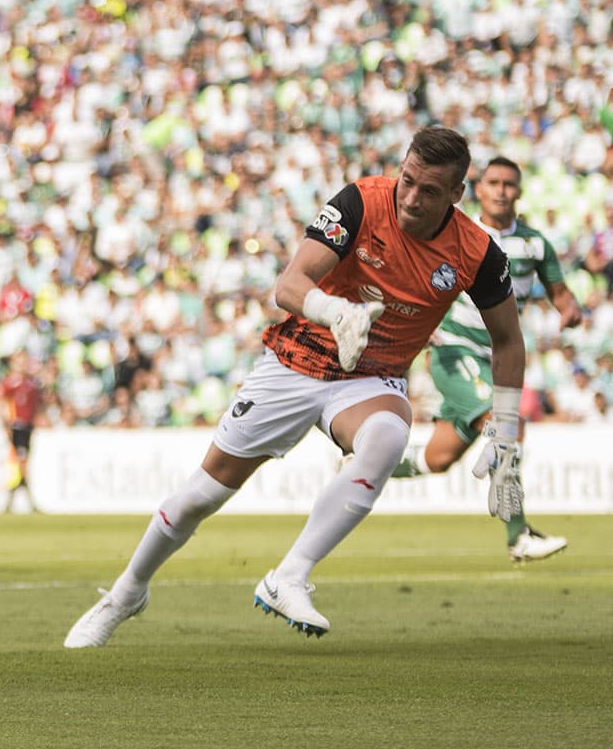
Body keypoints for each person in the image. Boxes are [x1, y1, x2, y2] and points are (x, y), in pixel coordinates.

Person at [64, 126, 525, 647]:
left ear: (457, 195)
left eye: (430, 191)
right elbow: (288, 285)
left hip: (369, 378)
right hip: (296, 360)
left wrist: (506, 431)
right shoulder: (361, 202)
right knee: (201, 495)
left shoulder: (476, 251)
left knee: (388, 438)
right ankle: (126, 593)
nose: (412, 198)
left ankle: (289, 575)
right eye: (407, 181)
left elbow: (508, 342)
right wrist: (338, 313)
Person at [391, 157, 581, 562]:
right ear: (478, 189)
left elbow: (560, 292)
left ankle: (364, 465)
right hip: (454, 349)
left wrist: (570, 310)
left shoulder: (535, 244)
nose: (499, 190)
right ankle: (519, 535)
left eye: (508, 184)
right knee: (506, 422)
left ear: (519, 191)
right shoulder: (455, 231)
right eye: (492, 182)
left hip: (500, 360)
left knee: (436, 459)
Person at [0, 351, 42, 513]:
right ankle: (23, 500)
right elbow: (1, 402)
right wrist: (6, 423)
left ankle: (13, 501)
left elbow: (36, 406)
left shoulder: (32, 383)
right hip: (16, 427)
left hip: (27, 427)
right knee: (19, 463)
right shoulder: (10, 383)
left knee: (22, 463)